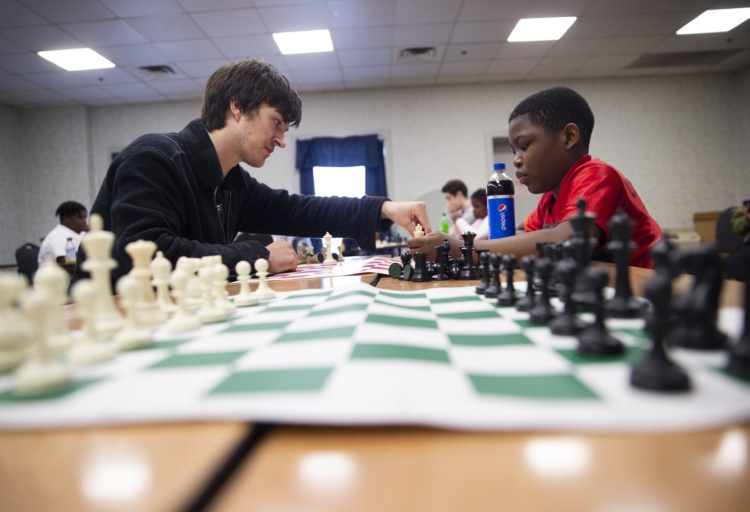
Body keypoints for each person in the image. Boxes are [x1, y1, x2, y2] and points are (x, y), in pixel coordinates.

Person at [72, 59, 430, 285]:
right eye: (276, 123)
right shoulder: (152, 158)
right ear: (237, 108)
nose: (281, 140)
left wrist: (384, 208)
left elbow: (300, 209)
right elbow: (146, 255)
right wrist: (257, 254)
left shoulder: (232, 183)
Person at [410, 87, 662, 268]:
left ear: (569, 137)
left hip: (656, 292)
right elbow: (515, 237)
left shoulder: (598, 176)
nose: (516, 160)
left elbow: (566, 243)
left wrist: (466, 250)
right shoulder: (550, 198)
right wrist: (457, 243)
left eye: (525, 145)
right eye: (513, 151)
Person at [38, 201, 88, 265]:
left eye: (85, 218)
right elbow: (66, 263)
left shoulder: (79, 234)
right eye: (80, 218)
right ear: (66, 218)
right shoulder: (57, 236)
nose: (84, 222)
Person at [724, 202, 750, 281]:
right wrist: (746, 218)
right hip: (745, 246)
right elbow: (736, 227)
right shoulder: (747, 205)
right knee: (730, 262)